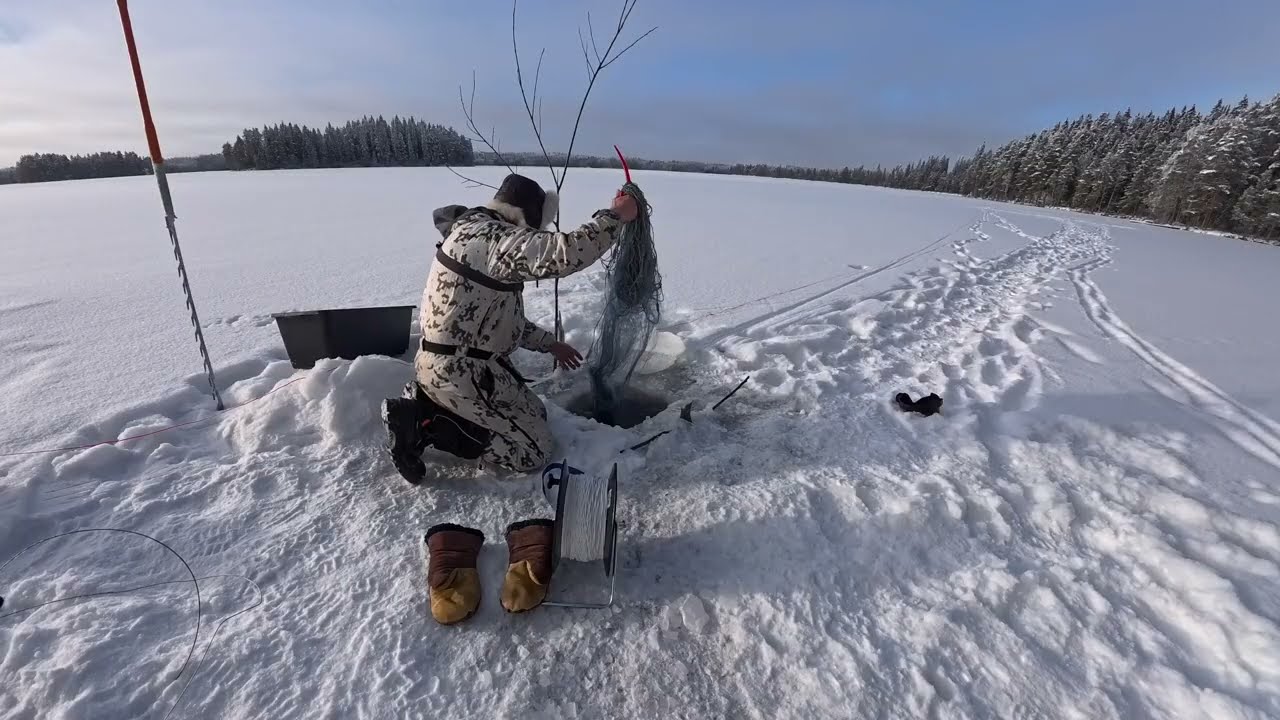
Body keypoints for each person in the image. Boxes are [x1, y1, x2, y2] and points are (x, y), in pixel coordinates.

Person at [382, 173, 639, 483]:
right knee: (533, 451)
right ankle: (427, 422)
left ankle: (427, 397)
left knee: (536, 413)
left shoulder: (474, 232)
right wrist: (616, 216)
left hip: (459, 363)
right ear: (526, 217)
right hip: (462, 370)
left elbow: (498, 323)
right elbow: (565, 252)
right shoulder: (493, 239)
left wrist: (549, 344)